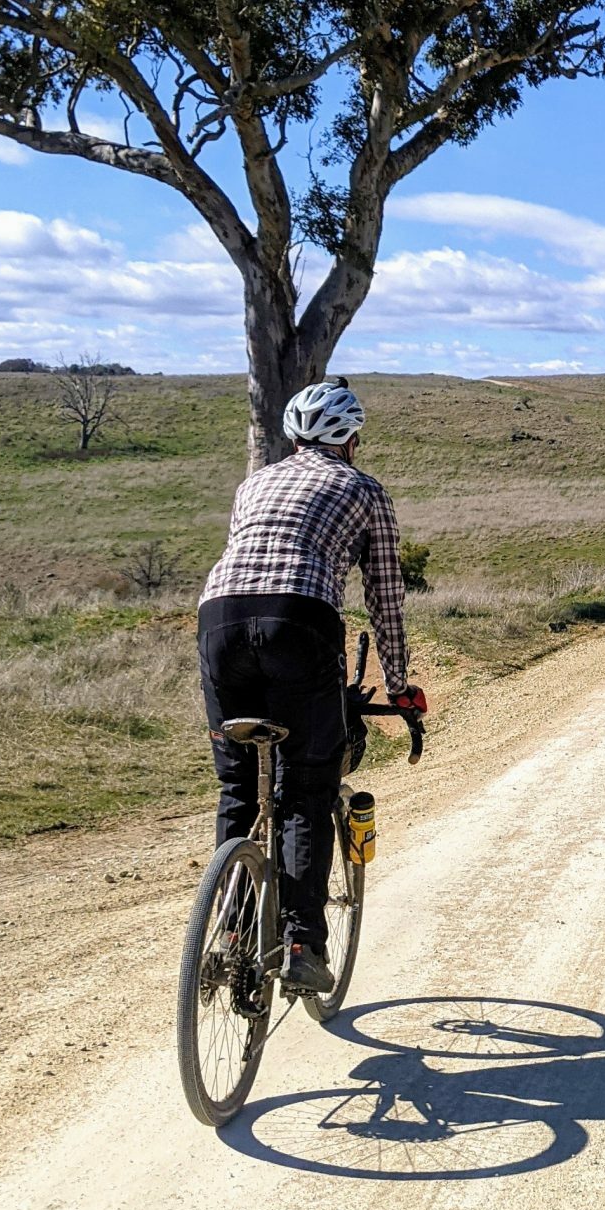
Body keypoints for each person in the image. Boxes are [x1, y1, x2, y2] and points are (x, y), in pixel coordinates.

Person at [197, 380, 426, 994]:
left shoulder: (254, 484)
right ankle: (303, 941)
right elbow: (386, 597)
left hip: (218, 621)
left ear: (294, 437)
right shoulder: (364, 489)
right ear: (350, 440)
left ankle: (236, 932)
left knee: (238, 784)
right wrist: (399, 683)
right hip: (300, 621)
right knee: (306, 783)